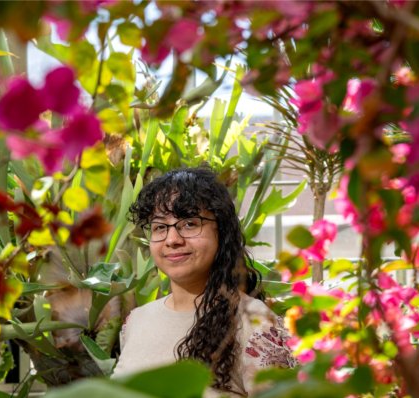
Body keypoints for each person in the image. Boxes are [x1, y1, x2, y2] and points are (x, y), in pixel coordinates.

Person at [111, 166, 296, 397]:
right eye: (160, 227)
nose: (172, 239)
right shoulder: (136, 321)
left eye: (189, 223)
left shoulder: (255, 323)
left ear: (222, 231)